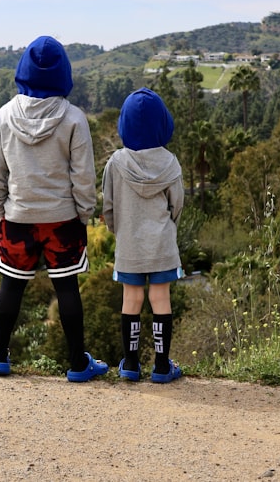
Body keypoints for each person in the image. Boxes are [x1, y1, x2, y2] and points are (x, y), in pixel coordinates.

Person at [0, 35, 108, 382]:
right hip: (62, 219)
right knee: (67, 289)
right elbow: (83, 176)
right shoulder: (73, 119)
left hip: (18, 216)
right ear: (63, 75)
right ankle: (77, 364)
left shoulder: (6, 115)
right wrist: (84, 213)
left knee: (11, 286)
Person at [102, 87, 184, 383]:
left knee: (131, 298)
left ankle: (130, 364)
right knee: (160, 298)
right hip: (162, 243)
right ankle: (162, 367)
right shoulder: (170, 163)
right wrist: (168, 226)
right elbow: (177, 205)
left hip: (129, 245)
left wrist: (118, 230)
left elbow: (108, 206)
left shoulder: (115, 163)